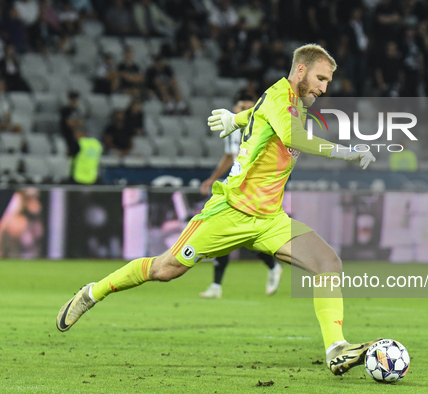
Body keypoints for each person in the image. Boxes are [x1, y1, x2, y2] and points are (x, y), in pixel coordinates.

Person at [56, 43, 377, 376]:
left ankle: (336, 348)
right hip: (230, 210)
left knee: (328, 263)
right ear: (300, 71)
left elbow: (259, 113)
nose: (325, 89)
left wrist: (235, 120)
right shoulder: (282, 97)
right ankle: (92, 293)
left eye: (327, 82)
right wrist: (347, 152)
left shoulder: (292, 101)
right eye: (321, 78)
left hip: (269, 219)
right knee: (166, 269)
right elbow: (292, 135)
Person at [199, 93, 282, 299]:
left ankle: (272, 265)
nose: (240, 108)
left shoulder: (263, 125)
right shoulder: (234, 130)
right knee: (225, 230)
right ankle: (217, 285)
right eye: (238, 105)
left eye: (246, 105)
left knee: (240, 233)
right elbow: (229, 156)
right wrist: (212, 179)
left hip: (253, 187)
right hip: (236, 185)